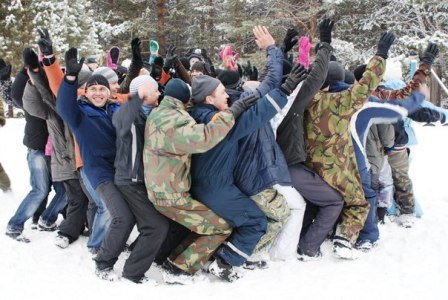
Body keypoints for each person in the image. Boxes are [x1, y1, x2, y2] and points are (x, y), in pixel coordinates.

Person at [189, 64, 307, 275]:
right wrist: (285, 90)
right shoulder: (219, 124)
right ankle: (225, 262)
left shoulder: (198, 114)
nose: (227, 95)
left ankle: (229, 257)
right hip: (216, 187)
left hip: (210, 184)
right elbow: (256, 116)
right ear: (209, 99)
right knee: (256, 221)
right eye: (222, 92)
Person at [144, 76, 255, 283]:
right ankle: (179, 270)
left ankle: (175, 260)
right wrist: (232, 112)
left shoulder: (161, 112)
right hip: (171, 195)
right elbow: (203, 138)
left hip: (163, 189)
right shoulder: (173, 121)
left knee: (202, 225)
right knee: (219, 226)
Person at [56, 48, 135, 281]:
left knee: (134, 214)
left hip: (122, 170)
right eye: (94, 89)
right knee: (121, 215)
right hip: (99, 173)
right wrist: (70, 78)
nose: (98, 93)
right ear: (87, 92)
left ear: (110, 91)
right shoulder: (79, 114)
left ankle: (114, 246)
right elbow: (62, 105)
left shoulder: (116, 109)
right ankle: (103, 262)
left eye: (102, 89)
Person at [111, 74, 170, 283]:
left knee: (162, 222)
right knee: (155, 227)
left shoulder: (154, 113)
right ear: (144, 93)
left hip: (144, 180)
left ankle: (135, 256)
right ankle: (132, 272)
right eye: (155, 90)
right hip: (130, 180)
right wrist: (136, 98)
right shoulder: (129, 115)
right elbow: (119, 121)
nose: (159, 93)